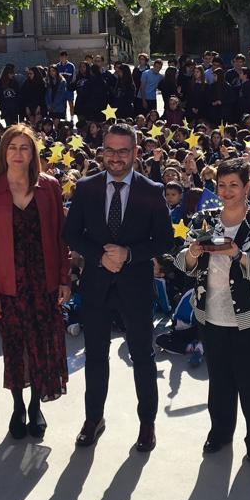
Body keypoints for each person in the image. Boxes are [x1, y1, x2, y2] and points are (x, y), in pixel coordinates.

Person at [63, 122, 174, 452]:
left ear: (135, 152)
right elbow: (71, 234)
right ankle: (93, 419)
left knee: (143, 357)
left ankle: (147, 424)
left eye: (123, 151)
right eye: (109, 150)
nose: (115, 157)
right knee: (96, 357)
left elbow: (165, 240)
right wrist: (99, 256)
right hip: (96, 287)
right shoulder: (86, 187)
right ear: (102, 152)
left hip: (135, 288)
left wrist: (129, 255)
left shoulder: (151, 190)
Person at [175, 158, 250, 462]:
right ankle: (220, 433)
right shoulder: (204, 219)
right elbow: (182, 265)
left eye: (234, 184)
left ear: (248, 186)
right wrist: (192, 251)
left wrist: (238, 254)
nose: (227, 191)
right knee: (220, 381)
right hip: (212, 315)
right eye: (222, 185)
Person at [0, 124, 70, 440]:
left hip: (44, 282)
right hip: (8, 286)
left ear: (33, 153)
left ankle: (35, 406)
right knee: (15, 348)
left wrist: (64, 278)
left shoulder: (50, 187)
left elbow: (60, 237)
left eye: (25, 147)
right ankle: (18, 405)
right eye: (13, 147)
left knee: (41, 346)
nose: (18, 153)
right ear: (4, 152)